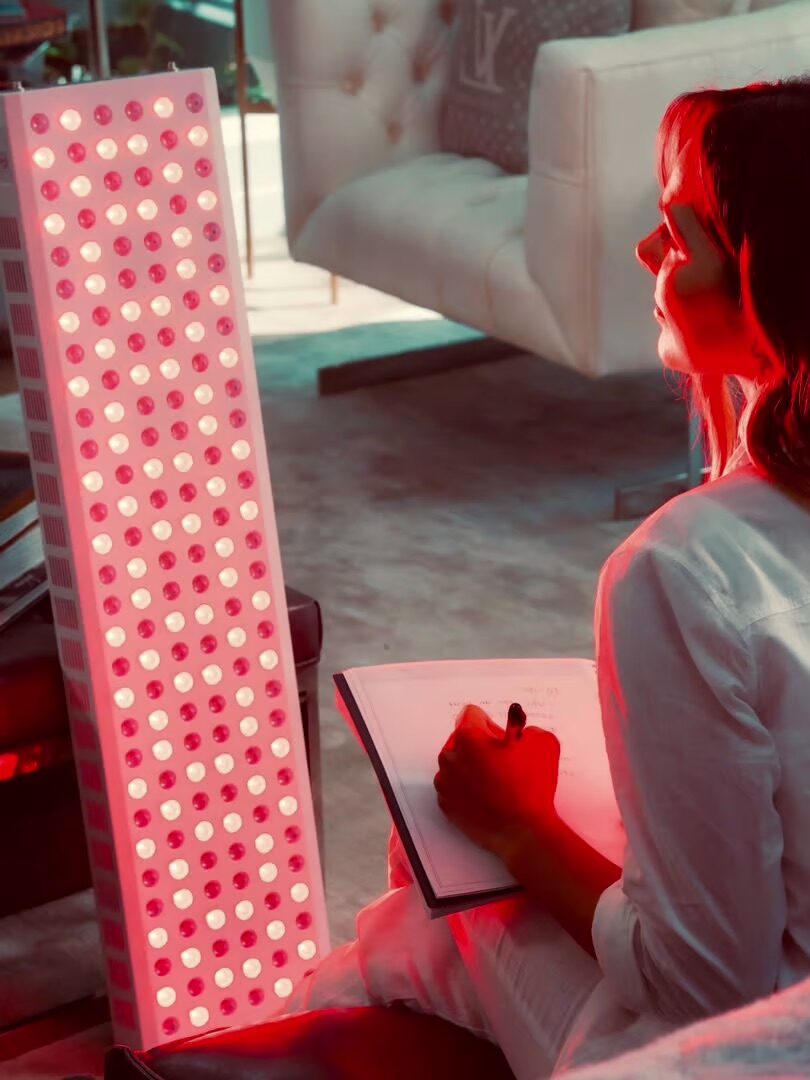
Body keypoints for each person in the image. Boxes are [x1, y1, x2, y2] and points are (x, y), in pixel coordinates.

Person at [277, 75, 810, 1078]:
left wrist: (522, 830)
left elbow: (712, 987)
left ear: (766, 287)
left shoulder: (687, 569)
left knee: (425, 917)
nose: (648, 254)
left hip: (749, 1049)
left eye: (678, 234)